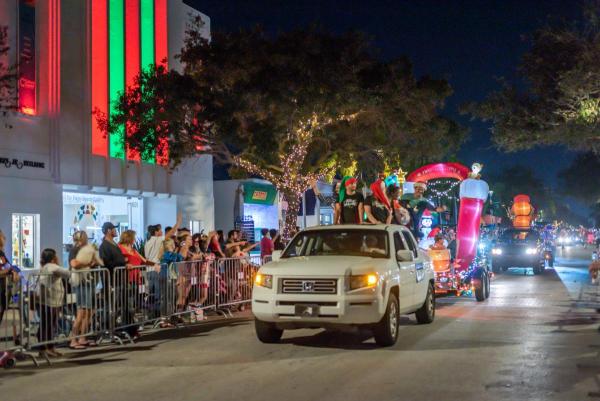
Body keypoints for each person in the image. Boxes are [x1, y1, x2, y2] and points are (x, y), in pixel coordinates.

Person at [68, 231, 102, 349]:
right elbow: (74, 264)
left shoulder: (88, 249)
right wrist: (88, 263)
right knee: (81, 312)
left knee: (89, 311)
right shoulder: (74, 250)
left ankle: (82, 338)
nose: (87, 238)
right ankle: (73, 339)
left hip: (90, 282)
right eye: (85, 237)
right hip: (81, 283)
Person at [36, 248, 71, 358]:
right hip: (51, 301)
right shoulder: (53, 266)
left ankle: (47, 348)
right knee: (49, 325)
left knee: (46, 325)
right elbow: (68, 274)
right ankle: (46, 348)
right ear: (53, 258)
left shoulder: (45, 267)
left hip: (46, 301)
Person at [0, 230, 18, 327]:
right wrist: (10, 271)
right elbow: (6, 268)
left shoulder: (1, 254)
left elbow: (7, 266)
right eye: (3, 237)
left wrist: (13, 271)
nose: (5, 239)